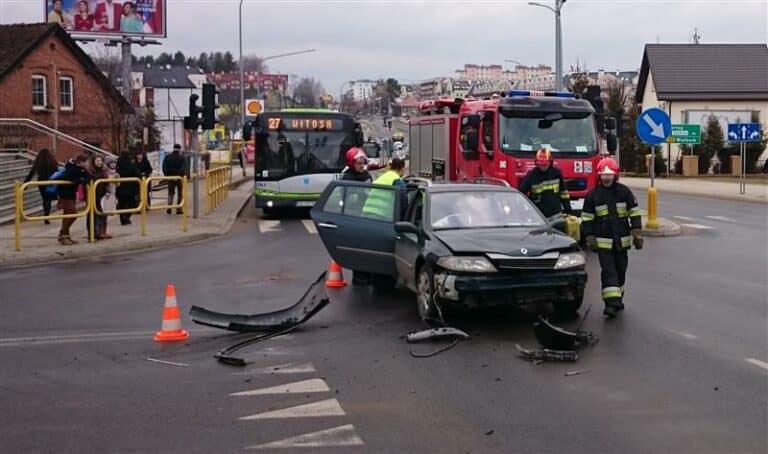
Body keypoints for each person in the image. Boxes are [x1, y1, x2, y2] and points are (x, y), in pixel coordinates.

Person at [581, 157, 643, 319]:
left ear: (615, 175)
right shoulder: (593, 196)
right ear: (599, 176)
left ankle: (618, 299)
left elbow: (634, 213)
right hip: (604, 245)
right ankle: (610, 304)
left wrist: (637, 232)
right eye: (603, 175)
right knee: (609, 272)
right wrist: (589, 237)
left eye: (609, 175)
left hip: (621, 243)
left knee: (621, 271)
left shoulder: (624, 192)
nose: (606, 178)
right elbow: (587, 219)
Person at [518, 148, 573, 219]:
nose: (543, 167)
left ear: (550, 162)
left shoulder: (556, 173)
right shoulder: (531, 175)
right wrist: (527, 209)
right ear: (536, 163)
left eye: (545, 164)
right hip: (538, 215)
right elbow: (521, 192)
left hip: (556, 214)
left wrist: (568, 210)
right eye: (540, 164)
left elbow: (564, 193)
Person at [57, 155, 92, 245]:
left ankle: (66, 236)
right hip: (65, 194)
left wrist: (83, 179)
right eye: (87, 162)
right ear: (81, 162)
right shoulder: (72, 169)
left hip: (71, 194)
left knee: (67, 214)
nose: (88, 164)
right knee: (73, 214)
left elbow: (89, 177)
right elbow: (75, 180)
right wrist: (82, 180)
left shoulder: (81, 170)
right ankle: (62, 234)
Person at [24, 148, 58, 224]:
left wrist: (25, 184)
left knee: (45, 199)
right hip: (50, 181)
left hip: (41, 181)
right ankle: (47, 215)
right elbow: (56, 171)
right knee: (48, 199)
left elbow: (31, 173)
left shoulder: (38, 162)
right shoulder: (52, 161)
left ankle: (46, 215)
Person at [89, 155, 113, 240]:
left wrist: (107, 191)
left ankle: (102, 232)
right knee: (95, 215)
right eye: (97, 161)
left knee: (103, 214)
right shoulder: (91, 171)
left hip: (102, 195)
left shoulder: (104, 172)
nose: (99, 162)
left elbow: (107, 183)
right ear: (93, 162)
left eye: (100, 161)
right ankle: (95, 233)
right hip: (93, 196)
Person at [115, 151, 140, 225]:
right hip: (130, 188)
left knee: (121, 204)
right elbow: (137, 174)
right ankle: (127, 216)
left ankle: (122, 219)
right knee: (133, 203)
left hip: (120, 188)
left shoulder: (117, 164)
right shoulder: (131, 164)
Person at [162, 144, 185, 215]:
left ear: (173, 148)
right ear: (179, 149)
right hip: (179, 178)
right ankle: (179, 209)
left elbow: (164, 167)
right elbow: (183, 168)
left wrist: (167, 175)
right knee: (180, 193)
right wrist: (179, 175)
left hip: (170, 177)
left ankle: (169, 207)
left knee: (170, 193)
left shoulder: (167, 157)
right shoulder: (182, 158)